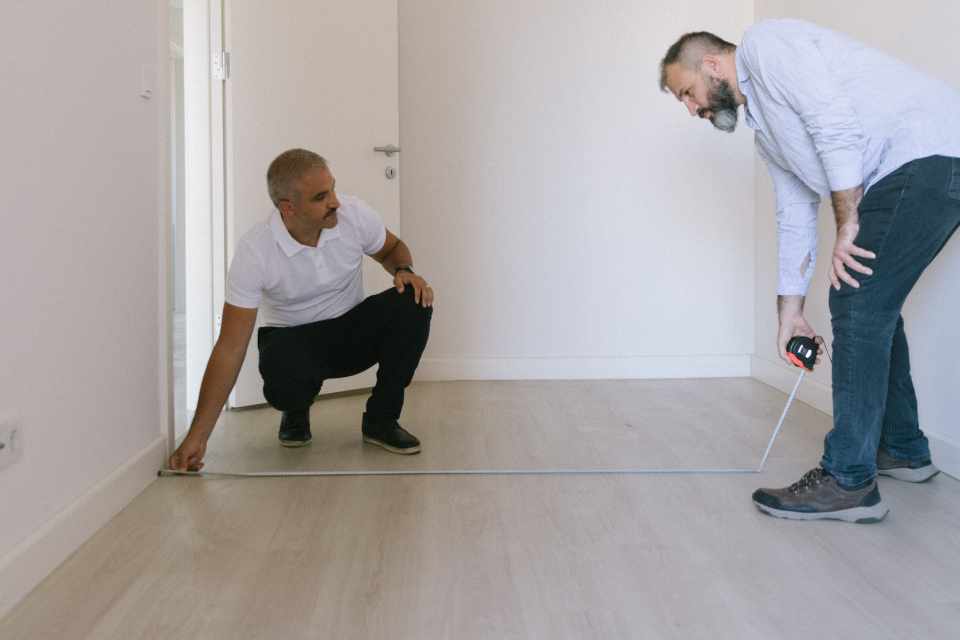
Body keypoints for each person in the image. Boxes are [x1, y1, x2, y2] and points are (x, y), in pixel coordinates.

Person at [659, 19, 960, 522]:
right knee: (873, 300)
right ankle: (903, 448)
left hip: (924, 153)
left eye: (687, 93)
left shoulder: (766, 46)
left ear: (711, 64)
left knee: (857, 297)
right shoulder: (767, 135)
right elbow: (794, 216)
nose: (692, 109)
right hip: (928, 162)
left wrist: (848, 221)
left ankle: (847, 480)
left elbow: (832, 121)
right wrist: (790, 314)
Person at [169, 148, 434, 471]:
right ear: (288, 208)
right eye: (321, 197)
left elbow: (392, 248)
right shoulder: (256, 251)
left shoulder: (353, 214)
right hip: (294, 342)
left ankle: (381, 420)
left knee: (413, 300)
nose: (335, 201)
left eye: (333, 188)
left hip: (352, 330)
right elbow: (230, 346)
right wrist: (198, 436)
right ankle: (296, 409)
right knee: (282, 372)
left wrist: (403, 269)